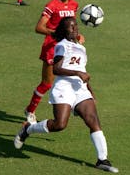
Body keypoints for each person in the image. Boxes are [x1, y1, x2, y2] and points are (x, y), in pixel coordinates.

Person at [14, 17, 119, 173]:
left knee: (93, 121)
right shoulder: (61, 46)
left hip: (80, 89)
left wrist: (91, 92)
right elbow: (56, 69)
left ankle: (102, 160)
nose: (75, 29)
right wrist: (76, 73)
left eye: (75, 26)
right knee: (60, 125)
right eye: (71, 27)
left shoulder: (81, 48)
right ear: (64, 31)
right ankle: (28, 129)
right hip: (64, 89)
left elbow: (83, 72)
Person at [24, 0, 85, 124]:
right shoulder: (52, 5)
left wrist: (77, 35)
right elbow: (39, 27)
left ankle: (74, 105)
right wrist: (56, 33)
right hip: (52, 48)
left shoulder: (74, 5)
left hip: (68, 49)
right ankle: (30, 110)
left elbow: (71, 25)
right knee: (47, 83)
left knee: (72, 77)